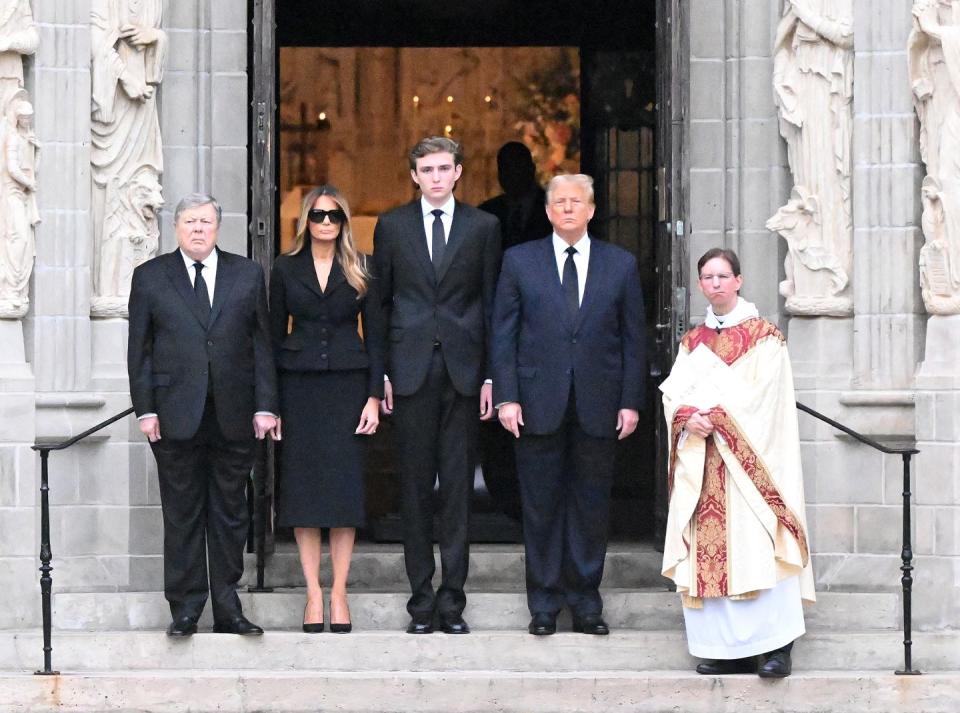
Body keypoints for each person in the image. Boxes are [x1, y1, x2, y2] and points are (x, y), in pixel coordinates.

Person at [491, 173, 646, 636]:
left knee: (591, 506)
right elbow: (504, 335)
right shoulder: (520, 261)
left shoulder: (620, 264)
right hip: (537, 402)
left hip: (600, 403)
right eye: (559, 202)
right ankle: (542, 604)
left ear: (592, 210)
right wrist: (507, 396)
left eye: (576, 202)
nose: (567, 209)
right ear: (547, 210)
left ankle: (585, 603)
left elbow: (634, 339)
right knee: (539, 506)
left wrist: (631, 401)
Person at [127, 193, 279, 637]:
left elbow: (261, 345)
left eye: (206, 222)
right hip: (175, 416)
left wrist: (266, 405)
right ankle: (186, 607)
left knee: (231, 513)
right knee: (182, 512)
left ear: (218, 227)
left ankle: (228, 607)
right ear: (176, 227)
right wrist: (146, 409)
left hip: (234, 415)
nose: (198, 229)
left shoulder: (247, 274)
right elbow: (141, 350)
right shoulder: (151, 277)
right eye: (190, 221)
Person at [659, 247, 815, 678]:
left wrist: (719, 417)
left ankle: (775, 649)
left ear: (739, 281)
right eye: (707, 277)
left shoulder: (764, 337)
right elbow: (674, 395)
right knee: (712, 552)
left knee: (759, 545)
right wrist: (689, 416)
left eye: (723, 276)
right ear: (700, 284)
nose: (715, 284)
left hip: (750, 466)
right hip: (705, 462)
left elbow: (767, 398)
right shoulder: (692, 343)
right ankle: (726, 649)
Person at [372, 136, 501, 635]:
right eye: (427, 170)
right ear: (414, 175)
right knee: (414, 489)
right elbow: (379, 303)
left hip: (465, 373)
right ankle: (420, 602)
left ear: (458, 172)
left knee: (457, 493)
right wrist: (380, 372)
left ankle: (453, 603)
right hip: (408, 371)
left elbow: (491, 304)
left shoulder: (483, 226)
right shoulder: (392, 225)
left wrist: (492, 374)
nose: (436, 177)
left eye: (444, 168)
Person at [269, 185, 385, 634]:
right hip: (298, 387)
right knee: (303, 490)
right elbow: (273, 333)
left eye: (334, 216)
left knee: (343, 491)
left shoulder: (361, 267)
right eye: (317, 216)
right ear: (305, 221)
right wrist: (271, 403)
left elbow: (375, 334)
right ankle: (312, 594)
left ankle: (339, 592)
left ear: (344, 221)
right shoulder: (284, 268)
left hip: (347, 385)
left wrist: (374, 395)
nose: (325, 223)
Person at [478, 141, 553, 251]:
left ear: (531, 169)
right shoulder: (487, 213)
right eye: (506, 168)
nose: (511, 174)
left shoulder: (555, 209)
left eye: (517, 167)